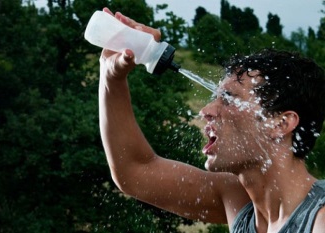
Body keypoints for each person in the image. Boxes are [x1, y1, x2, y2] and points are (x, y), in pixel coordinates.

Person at [97, 7, 325, 233]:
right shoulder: (237, 200)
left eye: (228, 98)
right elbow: (135, 171)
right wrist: (111, 77)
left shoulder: (319, 220)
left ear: (280, 124)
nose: (206, 110)